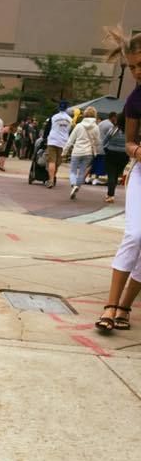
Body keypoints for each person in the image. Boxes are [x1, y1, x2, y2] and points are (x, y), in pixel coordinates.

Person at [95, 28, 141, 333]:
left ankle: (124, 307)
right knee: (136, 235)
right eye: (133, 66)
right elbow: (128, 142)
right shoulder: (136, 99)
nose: (137, 72)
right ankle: (110, 305)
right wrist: (137, 149)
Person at [62, 106, 101, 199]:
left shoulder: (79, 126)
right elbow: (98, 142)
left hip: (77, 151)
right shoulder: (96, 127)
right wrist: (96, 150)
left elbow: (70, 140)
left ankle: (73, 184)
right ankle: (77, 186)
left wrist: (64, 151)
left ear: (84, 114)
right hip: (88, 152)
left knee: (73, 170)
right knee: (82, 172)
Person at [42, 101, 74, 188]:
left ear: (58, 107)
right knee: (57, 162)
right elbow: (70, 131)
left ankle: (51, 180)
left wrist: (45, 138)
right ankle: (53, 177)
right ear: (67, 108)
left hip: (52, 140)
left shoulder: (53, 117)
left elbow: (47, 129)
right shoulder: (70, 119)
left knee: (51, 161)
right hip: (63, 142)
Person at [102, 112, 128, 204]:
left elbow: (104, 141)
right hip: (124, 155)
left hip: (111, 153)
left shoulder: (113, 129)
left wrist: (105, 149)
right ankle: (111, 193)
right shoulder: (129, 131)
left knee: (111, 174)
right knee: (116, 175)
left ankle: (110, 195)